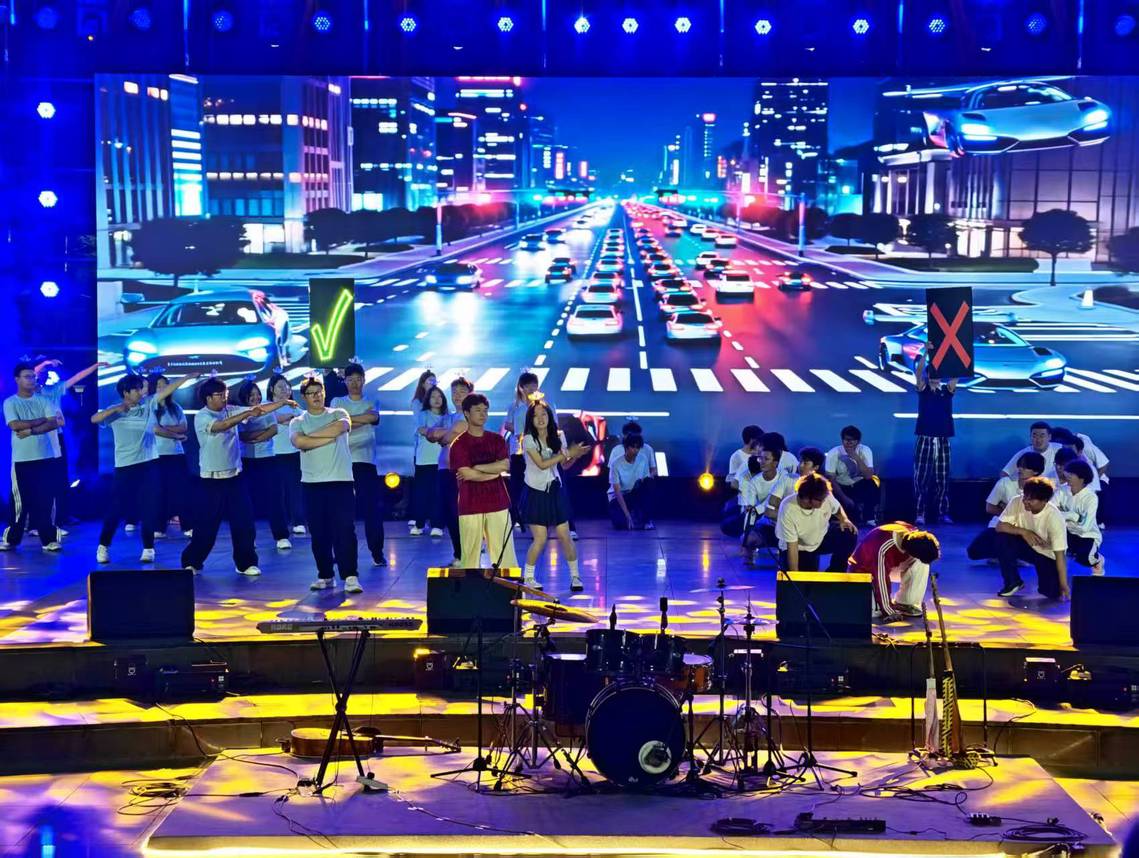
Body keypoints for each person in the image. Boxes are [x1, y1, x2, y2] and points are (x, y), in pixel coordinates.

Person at [181, 377, 295, 577]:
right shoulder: (202, 416)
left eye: (225, 394)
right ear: (208, 398)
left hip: (235, 476)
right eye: (220, 395)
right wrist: (246, 413)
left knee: (244, 522)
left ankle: (245, 563)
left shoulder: (230, 409)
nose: (224, 398)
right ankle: (192, 561)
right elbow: (222, 426)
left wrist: (282, 403)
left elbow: (259, 409)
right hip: (211, 480)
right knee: (207, 525)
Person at [91, 373, 197, 563]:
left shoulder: (148, 404)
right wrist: (117, 408)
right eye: (137, 389)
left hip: (149, 464)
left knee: (149, 507)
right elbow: (94, 419)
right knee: (116, 508)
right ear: (126, 392)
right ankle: (103, 546)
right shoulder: (115, 412)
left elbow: (168, 389)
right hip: (124, 467)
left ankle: (148, 548)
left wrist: (188, 376)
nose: (142, 392)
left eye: (142, 389)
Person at [290, 377, 361, 593]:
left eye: (319, 392)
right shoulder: (298, 421)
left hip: (341, 481)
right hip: (312, 484)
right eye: (311, 393)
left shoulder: (338, 413)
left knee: (345, 530)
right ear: (304, 397)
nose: (316, 396)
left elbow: (341, 427)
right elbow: (299, 442)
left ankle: (350, 576)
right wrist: (327, 437)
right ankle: (325, 575)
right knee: (319, 533)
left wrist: (310, 439)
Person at [519, 400, 590, 590]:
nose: (541, 418)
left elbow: (563, 465)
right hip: (535, 492)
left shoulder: (559, 436)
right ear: (530, 420)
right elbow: (542, 464)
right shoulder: (528, 440)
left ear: (550, 416)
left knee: (564, 535)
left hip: (554, 489)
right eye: (536, 415)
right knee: (540, 538)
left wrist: (575, 455)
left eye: (544, 414)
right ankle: (528, 578)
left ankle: (575, 577)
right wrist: (566, 454)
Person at [2, 361, 67, 552]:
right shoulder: (10, 402)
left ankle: (49, 540)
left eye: (33, 376)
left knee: (46, 500)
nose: (31, 380)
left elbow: (54, 423)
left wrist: (31, 430)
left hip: (45, 458)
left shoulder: (44, 400)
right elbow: (14, 425)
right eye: (27, 376)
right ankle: (12, 539)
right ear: (17, 379)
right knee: (19, 503)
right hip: (21, 460)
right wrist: (41, 420)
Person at [449, 393, 518, 573]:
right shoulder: (459, 444)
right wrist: (494, 472)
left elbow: (505, 465)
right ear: (466, 413)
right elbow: (466, 474)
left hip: (498, 502)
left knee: (505, 556)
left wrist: (479, 468)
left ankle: (509, 588)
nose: (483, 414)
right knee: (470, 557)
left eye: (485, 410)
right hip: (470, 504)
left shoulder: (496, 439)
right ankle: (470, 590)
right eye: (478, 410)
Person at [331, 363, 386, 567]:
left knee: (372, 510)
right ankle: (341, 553)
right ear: (345, 381)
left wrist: (347, 421)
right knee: (342, 512)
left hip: (366, 462)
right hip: (342, 463)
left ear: (364, 380)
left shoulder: (372, 401)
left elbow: (373, 417)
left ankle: (377, 552)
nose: (354, 383)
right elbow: (336, 424)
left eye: (358, 379)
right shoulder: (337, 401)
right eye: (350, 379)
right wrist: (360, 419)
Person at [994, 476, 1068, 600]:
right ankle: (1013, 582)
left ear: (1044, 501)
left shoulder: (1054, 517)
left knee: (1051, 592)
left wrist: (1064, 584)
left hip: (1047, 555)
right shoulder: (1017, 501)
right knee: (1002, 537)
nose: (1025, 502)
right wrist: (1024, 532)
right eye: (1025, 497)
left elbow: (1060, 556)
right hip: (1026, 546)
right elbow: (999, 526)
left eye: (1031, 500)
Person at [848, 523, 940, 622]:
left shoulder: (913, 535)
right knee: (875, 612)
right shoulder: (882, 548)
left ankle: (904, 603)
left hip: (891, 565)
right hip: (864, 571)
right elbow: (880, 580)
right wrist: (889, 611)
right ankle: (866, 601)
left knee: (921, 562)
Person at [235, 380, 288, 549]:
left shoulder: (266, 408)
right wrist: (261, 434)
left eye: (257, 394)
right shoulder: (239, 412)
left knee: (275, 499)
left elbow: (273, 429)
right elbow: (242, 435)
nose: (256, 397)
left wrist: (256, 437)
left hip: (268, 457)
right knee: (246, 502)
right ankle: (249, 538)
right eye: (251, 395)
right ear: (244, 397)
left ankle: (281, 536)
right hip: (246, 460)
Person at [426, 377, 473, 564]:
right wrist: (446, 432)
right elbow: (430, 434)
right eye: (454, 392)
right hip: (444, 470)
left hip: (462, 471)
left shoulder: (469, 417)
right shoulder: (448, 417)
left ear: (469, 394)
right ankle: (459, 554)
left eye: (462, 392)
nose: (457, 396)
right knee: (449, 513)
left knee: (460, 513)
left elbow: (446, 438)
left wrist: (443, 434)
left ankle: (468, 554)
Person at [967, 451, 1045, 562]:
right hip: (1001, 526)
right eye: (1020, 466)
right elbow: (990, 507)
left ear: (1036, 471)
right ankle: (1006, 554)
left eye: (1025, 467)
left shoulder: (1042, 487)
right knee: (973, 552)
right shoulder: (1005, 483)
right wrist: (1009, 513)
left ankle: (1011, 555)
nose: (1020, 469)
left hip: (1028, 528)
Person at [774, 472, 858, 572]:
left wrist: (844, 519)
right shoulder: (788, 508)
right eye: (820, 500)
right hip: (799, 547)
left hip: (820, 539)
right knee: (806, 578)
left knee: (849, 532)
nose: (824, 502)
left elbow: (837, 508)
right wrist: (795, 576)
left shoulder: (825, 496)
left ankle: (835, 572)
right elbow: (792, 546)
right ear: (807, 499)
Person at [913, 342, 956, 525]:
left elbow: (956, 374)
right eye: (932, 374)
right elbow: (918, 372)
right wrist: (925, 352)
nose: (935, 377)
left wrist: (953, 352)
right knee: (921, 477)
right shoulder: (923, 391)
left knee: (943, 478)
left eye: (938, 374)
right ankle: (920, 513)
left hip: (943, 439)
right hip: (925, 438)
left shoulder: (946, 391)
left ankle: (942, 512)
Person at [148, 374, 192, 539]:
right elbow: (154, 429)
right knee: (159, 492)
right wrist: (175, 434)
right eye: (159, 386)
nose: (163, 389)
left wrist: (164, 428)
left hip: (176, 454)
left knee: (182, 491)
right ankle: (159, 527)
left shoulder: (176, 407)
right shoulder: (150, 406)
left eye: (165, 385)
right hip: (157, 455)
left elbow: (184, 427)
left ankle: (188, 526)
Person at [738, 447, 795, 566]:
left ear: (775, 463)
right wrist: (747, 532)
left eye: (766, 459)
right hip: (768, 524)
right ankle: (750, 554)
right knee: (746, 538)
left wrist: (762, 508)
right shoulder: (754, 482)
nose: (762, 462)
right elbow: (751, 510)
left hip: (786, 524)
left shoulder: (784, 477)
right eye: (760, 458)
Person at [503, 371, 544, 529]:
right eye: (528, 386)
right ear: (521, 388)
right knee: (517, 485)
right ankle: (515, 517)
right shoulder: (514, 406)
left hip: (537, 451)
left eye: (534, 385)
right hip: (518, 451)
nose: (532, 389)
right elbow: (507, 424)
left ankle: (536, 517)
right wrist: (521, 429)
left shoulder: (542, 405)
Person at [267, 373, 305, 538]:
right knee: (278, 492)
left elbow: (305, 419)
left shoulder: (295, 406)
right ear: (272, 389)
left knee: (295, 490)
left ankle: (298, 522)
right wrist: (290, 418)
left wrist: (291, 417)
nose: (285, 390)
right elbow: (274, 418)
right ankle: (282, 526)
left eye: (287, 386)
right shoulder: (267, 405)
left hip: (294, 452)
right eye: (280, 387)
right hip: (274, 454)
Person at [410, 386, 448, 536]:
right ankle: (419, 524)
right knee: (421, 494)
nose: (437, 399)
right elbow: (421, 429)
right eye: (433, 397)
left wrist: (433, 432)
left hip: (441, 461)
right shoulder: (423, 414)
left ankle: (437, 525)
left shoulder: (448, 416)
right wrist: (438, 432)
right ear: (428, 399)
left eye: (439, 396)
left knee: (438, 494)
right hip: (423, 461)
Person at [1056, 459, 1104, 576]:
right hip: (1067, 533)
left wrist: (1064, 517)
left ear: (1081, 479)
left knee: (1085, 559)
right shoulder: (1062, 491)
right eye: (1067, 472)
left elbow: (1085, 527)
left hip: (1088, 535)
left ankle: (1098, 560)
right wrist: (1073, 516)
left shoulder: (1091, 497)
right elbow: (1051, 512)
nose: (1067, 475)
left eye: (1071, 474)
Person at [825, 425, 881, 526]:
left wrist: (856, 457)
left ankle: (870, 517)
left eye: (852, 440)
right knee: (851, 516)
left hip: (859, 483)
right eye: (846, 440)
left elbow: (868, 475)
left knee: (872, 483)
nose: (849, 443)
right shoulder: (834, 453)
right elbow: (831, 479)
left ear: (858, 441)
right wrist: (844, 497)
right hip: (841, 486)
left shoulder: (865, 450)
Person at [608, 434, 654, 530]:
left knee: (649, 483)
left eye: (638, 448)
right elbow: (617, 491)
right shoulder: (616, 464)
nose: (635, 450)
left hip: (634, 494)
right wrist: (627, 515)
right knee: (619, 523)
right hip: (618, 498)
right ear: (626, 447)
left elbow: (645, 482)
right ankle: (632, 517)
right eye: (632, 447)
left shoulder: (643, 459)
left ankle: (646, 519)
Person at [726, 425, 764, 490]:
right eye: (758, 439)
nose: (760, 442)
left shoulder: (761, 454)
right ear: (752, 440)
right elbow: (732, 481)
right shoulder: (737, 456)